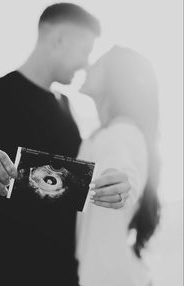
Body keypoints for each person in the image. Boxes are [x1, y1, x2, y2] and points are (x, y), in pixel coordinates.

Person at [0, 4, 131, 286]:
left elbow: (74, 182)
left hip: (59, 275)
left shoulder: (66, 107)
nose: (86, 63)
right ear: (59, 40)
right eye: (85, 50)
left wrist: (113, 185)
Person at [76, 46, 161, 286]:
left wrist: (121, 182)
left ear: (115, 78)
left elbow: (121, 166)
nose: (87, 66)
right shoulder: (102, 134)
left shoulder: (122, 131)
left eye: (99, 62)